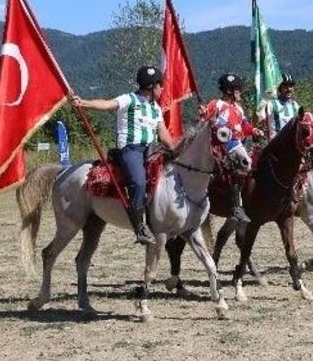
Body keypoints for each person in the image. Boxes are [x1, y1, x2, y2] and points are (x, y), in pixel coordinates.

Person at [72, 66, 176, 245]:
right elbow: (106, 104)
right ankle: (139, 227)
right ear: (152, 87)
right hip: (130, 150)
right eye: (160, 85)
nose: (162, 89)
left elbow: (163, 133)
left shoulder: (156, 109)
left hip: (151, 151)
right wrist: (84, 103)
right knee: (138, 181)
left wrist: (175, 149)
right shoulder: (128, 99)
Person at [199, 73, 263, 224]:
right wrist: (203, 114)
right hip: (218, 147)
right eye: (238, 90)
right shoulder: (215, 105)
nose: (240, 93)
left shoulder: (238, 108)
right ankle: (235, 206)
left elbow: (244, 126)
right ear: (230, 91)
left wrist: (254, 130)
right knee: (240, 164)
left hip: (236, 145)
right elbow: (204, 121)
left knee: (252, 163)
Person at [259, 73, 300, 139]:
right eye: (285, 86)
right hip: (276, 144)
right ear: (280, 88)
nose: (289, 89)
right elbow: (259, 117)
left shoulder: (295, 105)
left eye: (291, 86)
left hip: (292, 143)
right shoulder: (271, 104)